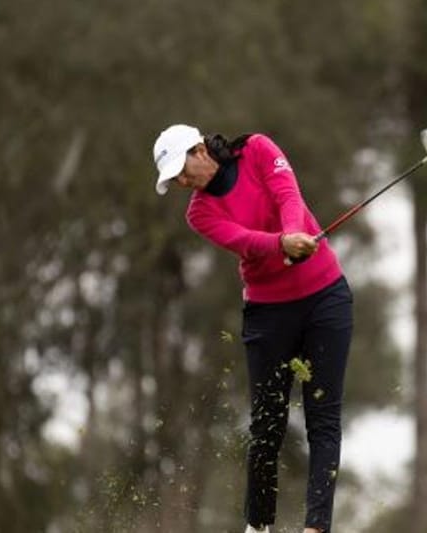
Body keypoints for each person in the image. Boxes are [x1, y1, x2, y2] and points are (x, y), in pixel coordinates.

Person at [152, 124, 353, 533]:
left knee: (323, 418)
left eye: (182, 171)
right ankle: (258, 526)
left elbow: (287, 195)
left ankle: (316, 528)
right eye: (174, 180)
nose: (182, 182)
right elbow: (244, 240)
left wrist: (294, 231)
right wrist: (283, 244)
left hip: (325, 297)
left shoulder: (258, 149)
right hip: (269, 311)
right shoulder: (199, 212)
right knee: (267, 422)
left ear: (200, 149)